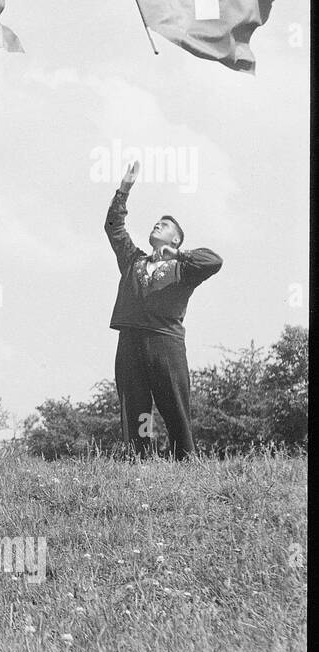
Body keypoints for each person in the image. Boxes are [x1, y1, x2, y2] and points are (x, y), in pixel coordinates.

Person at [105, 159, 223, 459]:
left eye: (166, 224)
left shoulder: (184, 269)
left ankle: (186, 457)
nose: (158, 224)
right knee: (135, 403)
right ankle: (139, 456)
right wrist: (124, 190)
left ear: (176, 238)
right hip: (130, 339)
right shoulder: (133, 260)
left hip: (165, 341)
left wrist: (179, 254)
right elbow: (114, 227)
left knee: (173, 402)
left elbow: (214, 261)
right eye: (158, 221)